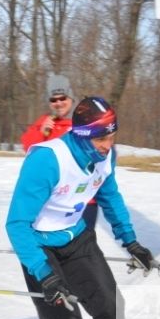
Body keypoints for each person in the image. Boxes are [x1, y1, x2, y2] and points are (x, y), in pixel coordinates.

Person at [6, 95, 160, 319]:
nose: (108, 145)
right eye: (101, 138)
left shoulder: (106, 156)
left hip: (77, 239)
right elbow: (16, 224)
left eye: (112, 137)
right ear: (80, 134)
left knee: (110, 305)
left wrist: (130, 241)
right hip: (38, 245)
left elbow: (110, 197)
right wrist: (44, 275)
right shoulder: (47, 160)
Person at [19, 75, 98, 231]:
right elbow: (28, 149)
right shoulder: (45, 122)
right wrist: (41, 133)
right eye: (53, 100)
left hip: (83, 200)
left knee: (82, 248)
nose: (58, 103)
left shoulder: (85, 120)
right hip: (54, 201)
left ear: (71, 97)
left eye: (62, 98)